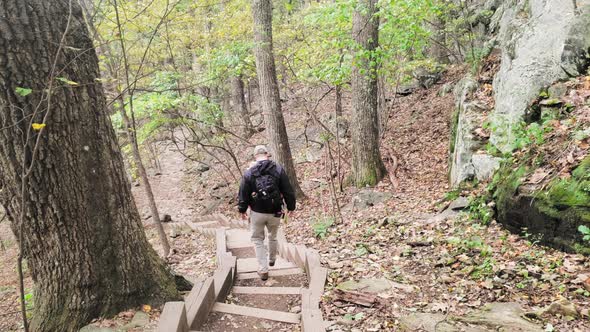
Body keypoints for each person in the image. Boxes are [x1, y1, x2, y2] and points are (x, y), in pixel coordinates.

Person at [237, 145, 296, 280]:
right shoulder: (278, 169)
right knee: (273, 236)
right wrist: (291, 207)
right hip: (275, 211)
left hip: (257, 212)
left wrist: (242, 209)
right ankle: (272, 259)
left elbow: (243, 193)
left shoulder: (249, 172)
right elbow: (288, 190)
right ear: (267, 154)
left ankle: (263, 269)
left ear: (255, 156)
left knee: (258, 239)